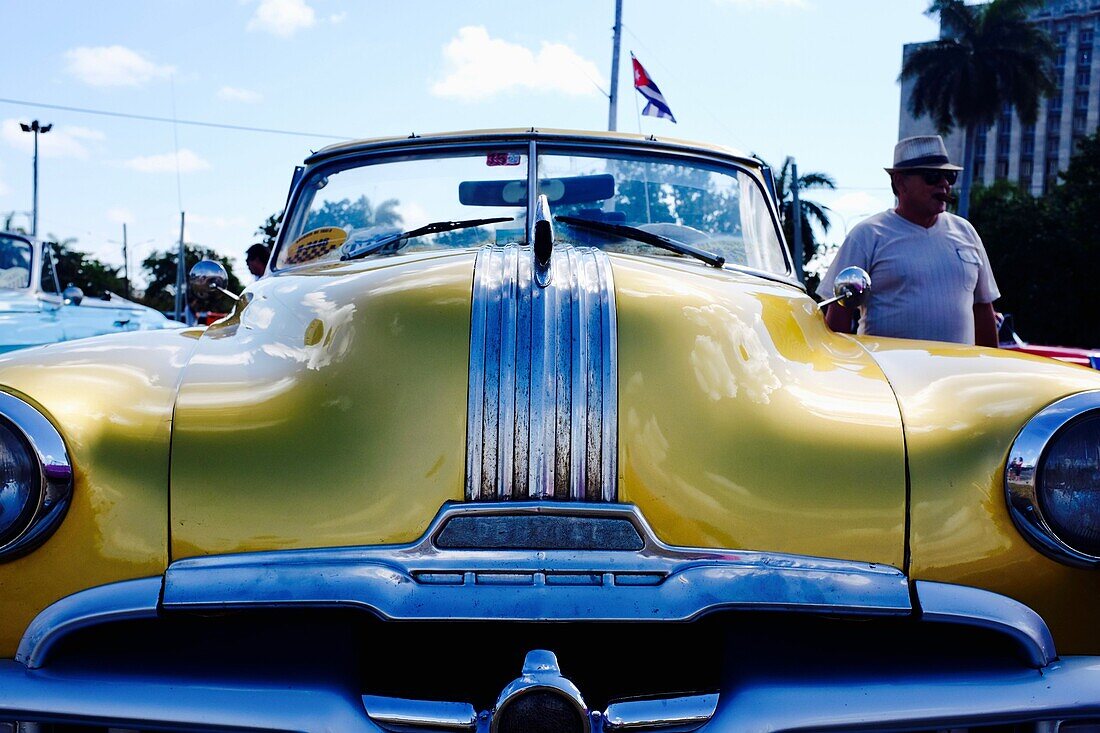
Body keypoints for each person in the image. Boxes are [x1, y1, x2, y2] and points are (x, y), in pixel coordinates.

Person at [816, 135, 1000, 347]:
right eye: (932, 176)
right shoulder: (867, 235)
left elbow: (983, 308)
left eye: (949, 177)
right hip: (890, 376)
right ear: (900, 182)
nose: (944, 185)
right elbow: (839, 313)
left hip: (956, 376)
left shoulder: (966, 232)